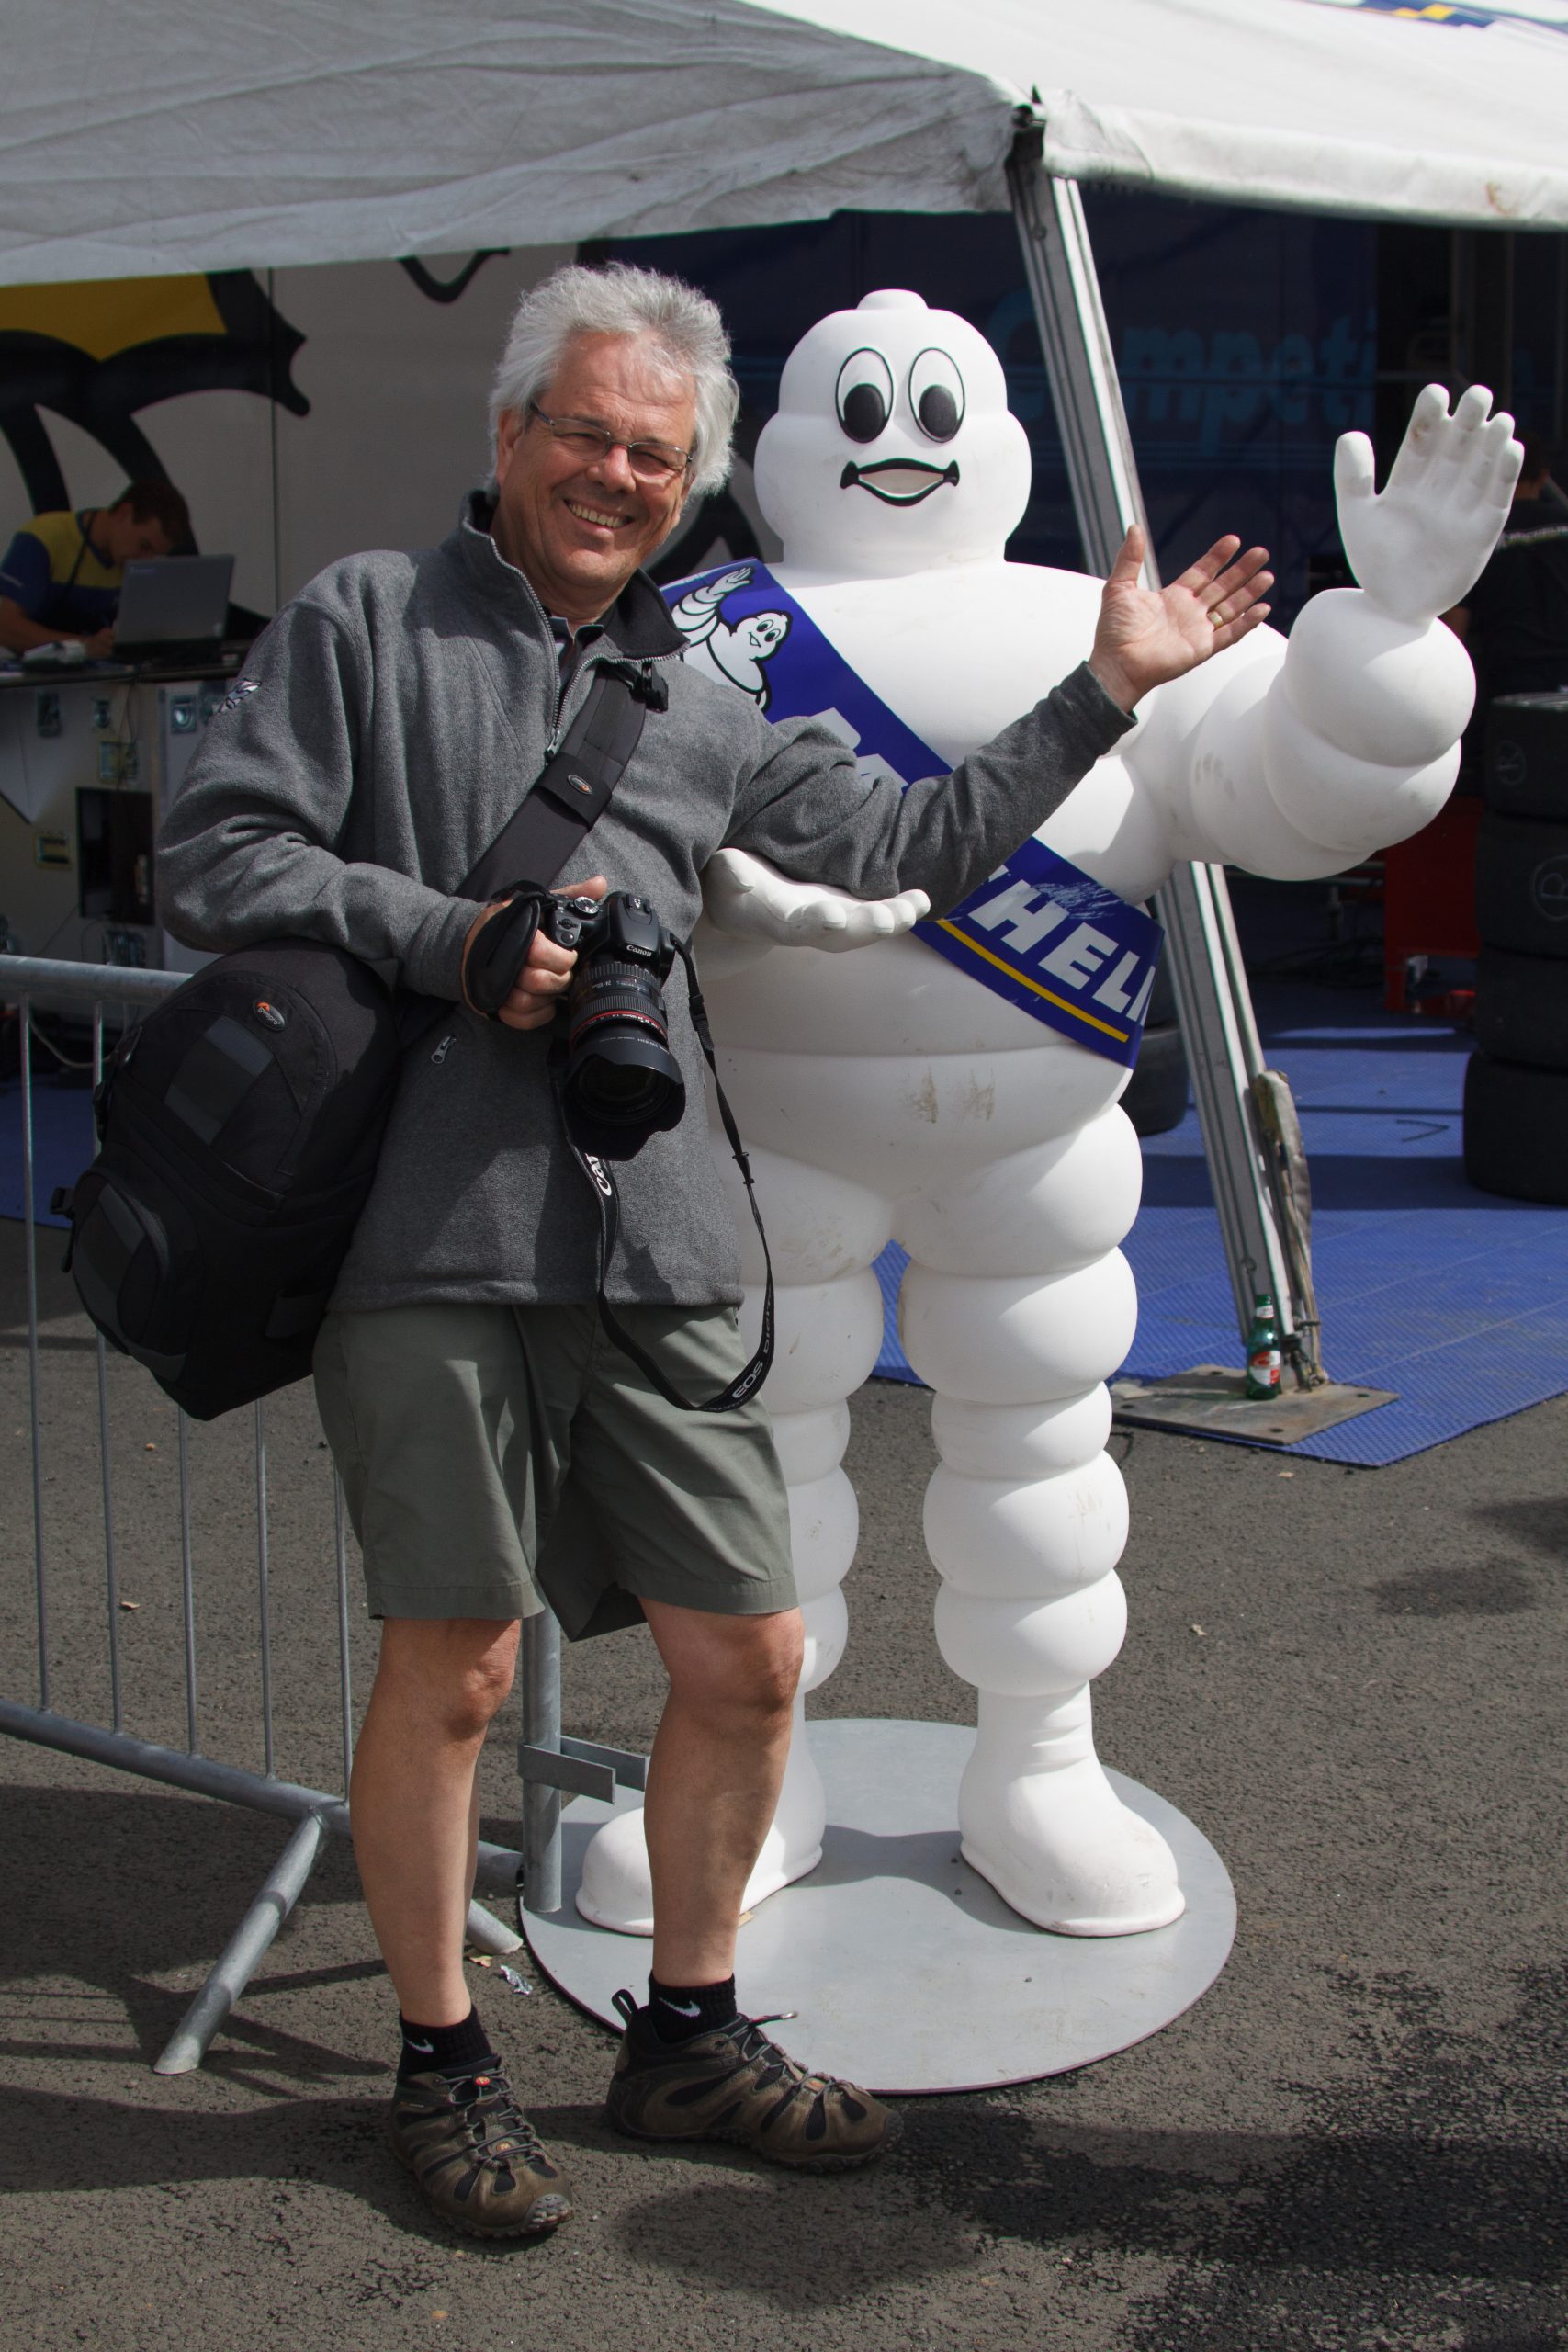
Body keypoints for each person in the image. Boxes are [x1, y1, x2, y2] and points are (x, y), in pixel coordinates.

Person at [155, 262, 1269, 2242]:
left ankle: (686, 2030)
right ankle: (444, 2062)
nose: (616, 476)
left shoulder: (705, 686)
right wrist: (452, 940)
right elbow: (215, 853)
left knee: (751, 1658)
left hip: (654, 1235)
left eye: (654, 456)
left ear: (693, 482)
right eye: (584, 435)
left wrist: (1104, 688)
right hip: (419, 1235)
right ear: (507, 433)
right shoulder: (366, 622)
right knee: (459, 1668)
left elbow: (914, 844)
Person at [1444, 427, 1568, 705]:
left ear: (1489, 475)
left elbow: (1454, 631)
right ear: (1543, 477)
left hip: (1510, 681)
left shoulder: (1476, 535)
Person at [0, 479, 190, 657]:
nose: (145, 560)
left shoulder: (132, 562)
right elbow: (5, 627)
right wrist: (83, 646)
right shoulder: (45, 538)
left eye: (155, 554)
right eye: (144, 545)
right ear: (123, 514)